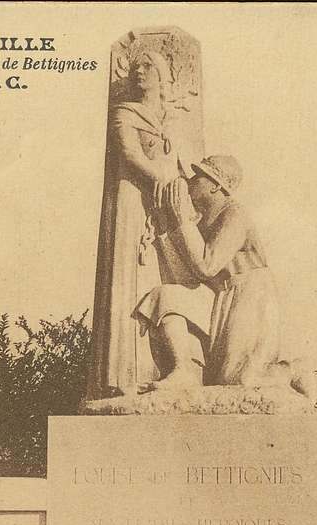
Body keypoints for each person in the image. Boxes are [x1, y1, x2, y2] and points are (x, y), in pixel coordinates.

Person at [133, 155, 317, 398]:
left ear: (215, 185)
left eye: (198, 177)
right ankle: (183, 370)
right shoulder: (201, 218)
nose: (191, 181)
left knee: (238, 379)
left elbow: (206, 265)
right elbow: (186, 273)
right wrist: (165, 224)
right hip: (219, 295)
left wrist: (180, 219)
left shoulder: (234, 215)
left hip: (249, 294)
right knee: (166, 295)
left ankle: (292, 370)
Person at [87, 49, 200, 399]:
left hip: (163, 209)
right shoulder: (125, 112)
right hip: (131, 205)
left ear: (162, 76)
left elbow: (185, 166)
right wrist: (160, 179)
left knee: (166, 280)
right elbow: (130, 154)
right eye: (136, 66)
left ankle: (174, 366)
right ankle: (125, 376)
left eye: (148, 66)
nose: (140, 71)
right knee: (129, 280)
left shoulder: (171, 121)